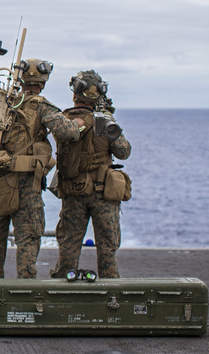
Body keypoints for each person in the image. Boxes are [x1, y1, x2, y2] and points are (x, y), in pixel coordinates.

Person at [0, 59, 83, 278]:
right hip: (26, 183)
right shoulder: (41, 105)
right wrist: (78, 125)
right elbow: (66, 133)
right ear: (43, 82)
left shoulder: (2, 102)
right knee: (28, 239)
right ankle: (25, 292)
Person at [50, 70, 132, 279]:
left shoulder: (64, 120)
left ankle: (62, 289)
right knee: (107, 249)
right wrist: (109, 118)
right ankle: (111, 294)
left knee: (68, 248)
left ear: (75, 93)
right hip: (102, 193)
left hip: (73, 192)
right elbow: (123, 152)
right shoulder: (104, 121)